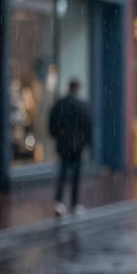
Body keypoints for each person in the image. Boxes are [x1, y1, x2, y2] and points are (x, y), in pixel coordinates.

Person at [49, 78, 92, 217]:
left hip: (63, 144)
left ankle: (59, 203)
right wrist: (86, 142)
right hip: (78, 145)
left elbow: (52, 124)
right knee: (76, 175)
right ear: (78, 88)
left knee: (62, 173)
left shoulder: (60, 104)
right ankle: (75, 204)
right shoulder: (83, 105)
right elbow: (89, 126)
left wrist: (57, 136)